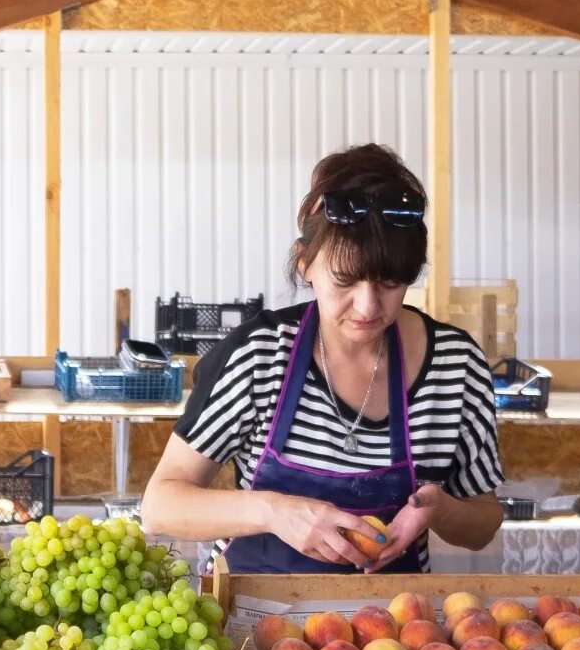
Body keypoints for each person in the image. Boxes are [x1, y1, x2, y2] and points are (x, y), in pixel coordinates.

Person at [140, 144, 504, 573]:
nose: (368, 307)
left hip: (395, 627)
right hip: (258, 623)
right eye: (345, 281)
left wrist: (439, 509)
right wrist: (273, 511)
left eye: (390, 282)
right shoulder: (259, 356)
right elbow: (160, 506)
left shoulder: (455, 367)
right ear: (306, 263)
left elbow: (483, 522)